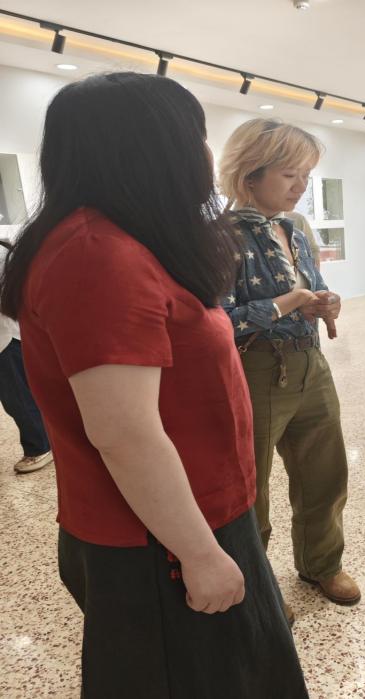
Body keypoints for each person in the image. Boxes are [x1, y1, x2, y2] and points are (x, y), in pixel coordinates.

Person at [0, 73, 308, 698]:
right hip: (159, 535)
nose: (205, 154)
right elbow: (125, 434)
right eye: (197, 136)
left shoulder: (126, 239)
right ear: (154, 147)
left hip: (188, 513)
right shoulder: (96, 254)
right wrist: (199, 555)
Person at [218, 118, 360, 614]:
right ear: (249, 174)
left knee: (326, 472)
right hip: (254, 370)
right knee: (251, 487)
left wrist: (324, 302)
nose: (301, 187)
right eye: (289, 175)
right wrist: (286, 303)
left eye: (306, 176)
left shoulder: (293, 229)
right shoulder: (219, 238)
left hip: (310, 363)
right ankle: (255, 587)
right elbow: (214, 321)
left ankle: (322, 562)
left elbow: (310, 288)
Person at [0, 241, 52, 473]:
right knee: (20, 394)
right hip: (10, 335)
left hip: (6, 339)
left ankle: (39, 447)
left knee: (17, 398)